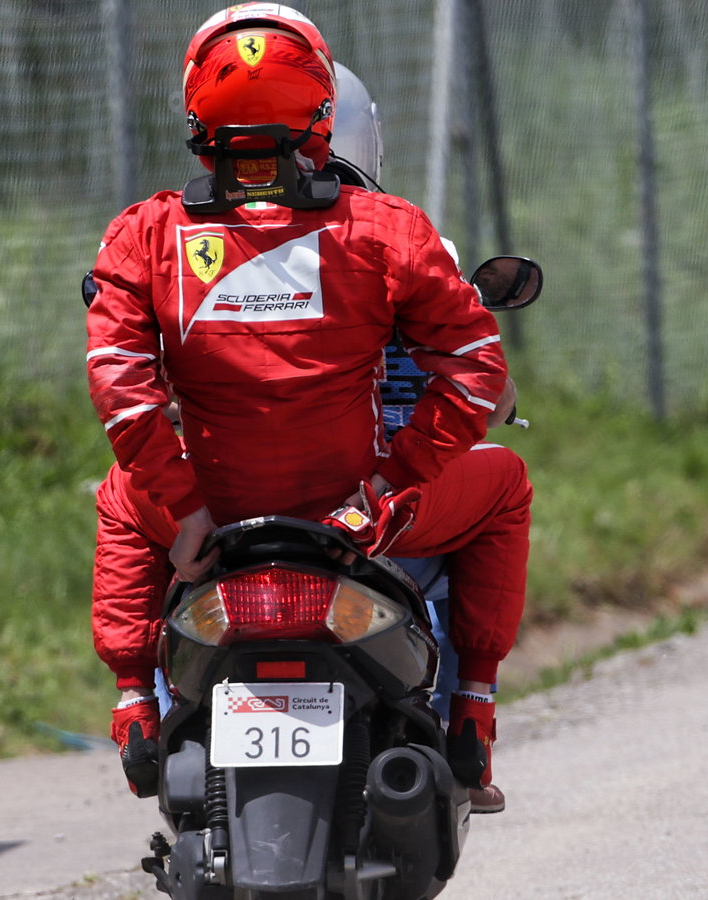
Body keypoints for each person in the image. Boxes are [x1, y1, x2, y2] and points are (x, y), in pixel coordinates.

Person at [87, 3, 530, 814]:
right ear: (321, 111)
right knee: (506, 486)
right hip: (353, 520)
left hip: (210, 522)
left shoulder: (143, 237)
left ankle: (133, 705)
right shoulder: (384, 230)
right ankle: (471, 707)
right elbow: (474, 373)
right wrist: (386, 492)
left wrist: (184, 510)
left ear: (194, 114)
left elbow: (122, 392)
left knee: (120, 495)